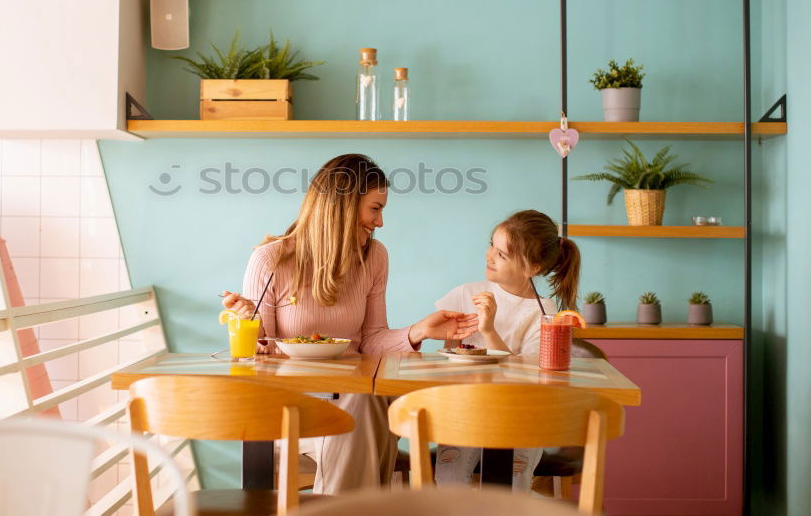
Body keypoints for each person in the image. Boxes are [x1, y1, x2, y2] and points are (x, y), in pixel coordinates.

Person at [221, 153, 477, 494]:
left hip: (356, 399)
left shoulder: (374, 257)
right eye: (375, 208)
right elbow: (260, 358)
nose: (380, 222)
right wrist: (247, 320)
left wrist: (421, 331)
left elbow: (371, 340)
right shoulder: (271, 259)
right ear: (342, 206)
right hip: (293, 406)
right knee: (367, 406)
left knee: (365, 399)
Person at [432, 209, 581, 491]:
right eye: (492, 244)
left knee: (511, 487)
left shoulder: (544, 313)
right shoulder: (467, 294)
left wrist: (489, 331)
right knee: (450, 481)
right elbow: (449, 361)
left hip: (522, 416)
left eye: (502, 254)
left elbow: (527, 376)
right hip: (467, 409)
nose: (489, 255)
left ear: (532, 268)